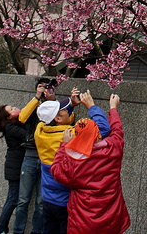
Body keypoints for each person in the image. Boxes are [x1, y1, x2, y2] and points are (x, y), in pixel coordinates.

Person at [51, 94, 129, 234]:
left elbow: (56, 170)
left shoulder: (74, 162)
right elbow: (117, 130)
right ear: (98, 134)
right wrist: (113, 108)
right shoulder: (113, 148)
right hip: (111, 217)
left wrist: (64, 146)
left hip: (83, 222)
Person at [35, 89, 110, 234]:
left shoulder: (39, 131)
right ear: (57, 119)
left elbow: (53, 119)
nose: (67, 111)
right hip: (65, 201)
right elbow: (103, 129)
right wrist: (91, 106)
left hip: (48, 199)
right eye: (64, 111)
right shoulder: (71, 135)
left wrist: (71, 106)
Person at [13, 77, 54, 234]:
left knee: (41, 202)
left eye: (48, 87)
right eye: (42, 87)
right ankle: (18, 231)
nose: (45, 90)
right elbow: (22, 117)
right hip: (30, 156)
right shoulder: (33, 107)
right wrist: (37, 97)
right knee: (23, 200)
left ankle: (36, 231)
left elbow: (68, 118)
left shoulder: (55, 107)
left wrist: (52, 100)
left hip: (46, 159)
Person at [0, 104, 27, 234]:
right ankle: (0, 229)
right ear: (9, 116)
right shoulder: (10, 127)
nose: (15, 108)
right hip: (15, 167)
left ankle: (1, 228)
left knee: (12, 199)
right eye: (11, 109)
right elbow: (26, 134)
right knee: (12, 199)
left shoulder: (11, 126)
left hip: (14, 165)